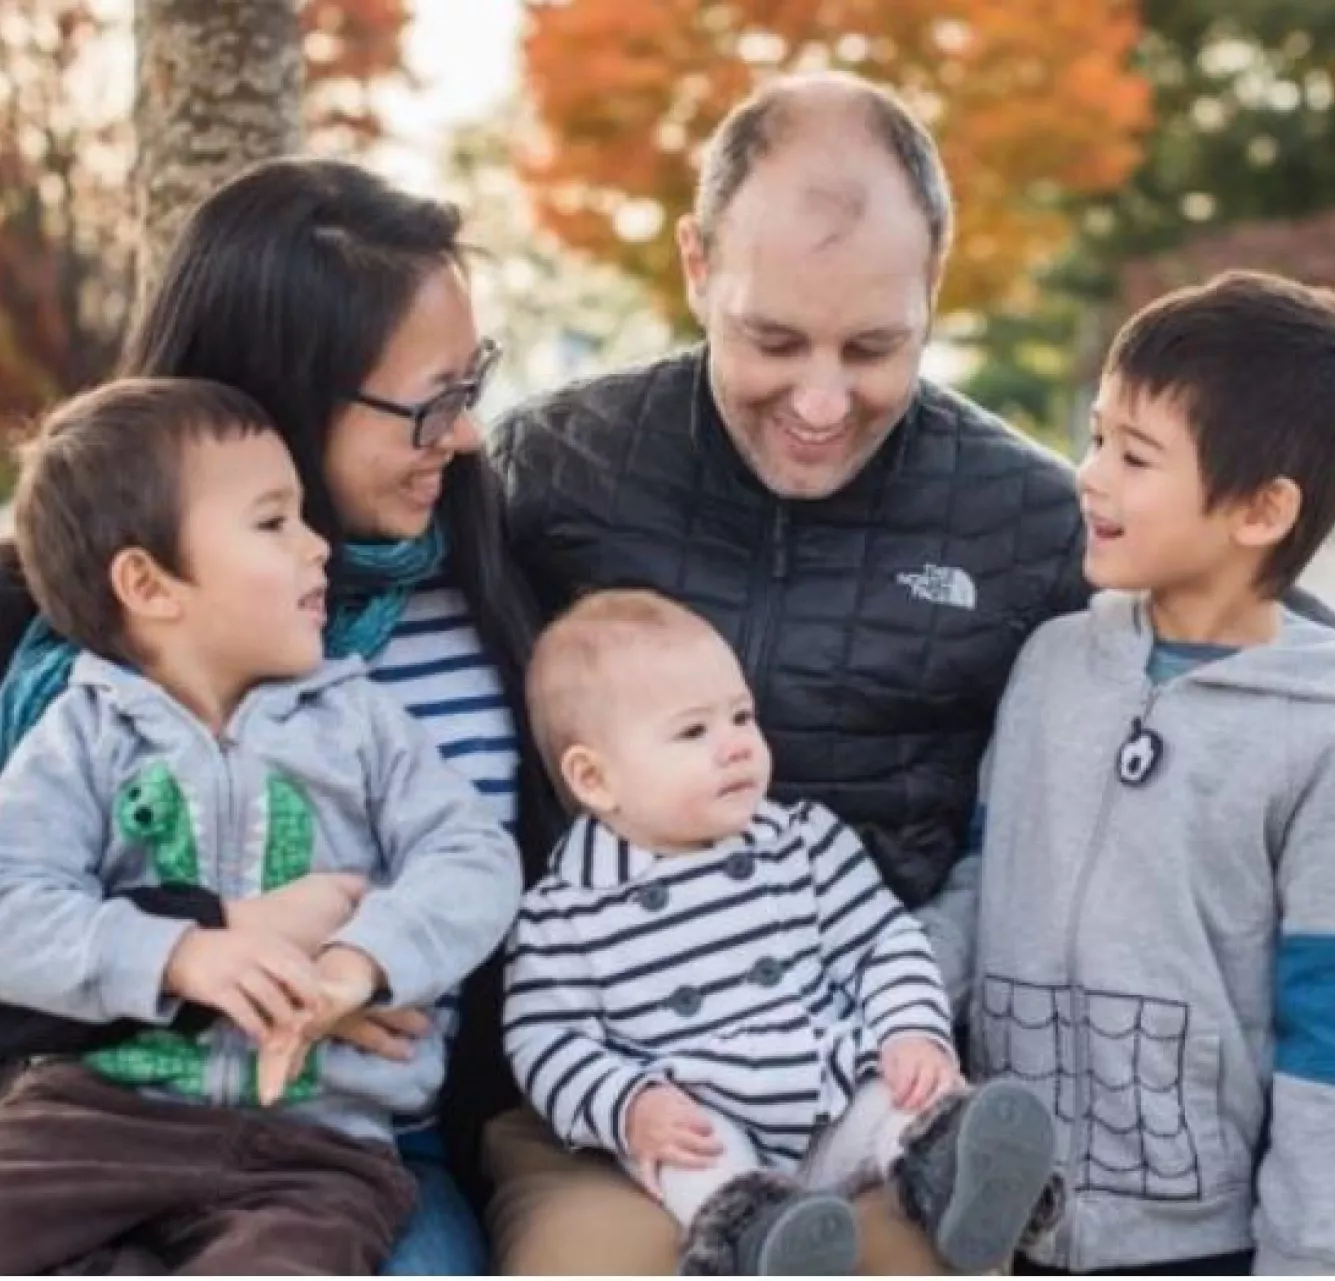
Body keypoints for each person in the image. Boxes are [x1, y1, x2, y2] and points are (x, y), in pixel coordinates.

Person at [483, 69, 1086, 1273]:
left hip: (875, 1065)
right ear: (698, 265)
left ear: (934, 285)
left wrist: (916, 1022)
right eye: (772, 340)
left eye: (874, 348)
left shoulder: (1029, 523)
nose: (820, 400)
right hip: (627, 1097)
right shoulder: (552, 468)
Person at [0, 158, 563, 1273]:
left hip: (345, 1143)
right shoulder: (75, 666)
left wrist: (355, 964)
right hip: (93, 1119)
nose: (464, 436)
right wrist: (216, 941)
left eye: (473, 382)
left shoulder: (490, 581)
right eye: (431, 401)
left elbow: (475, 862)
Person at [505, 589, 1062, 1274]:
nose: (736, 745)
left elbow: (882, 943)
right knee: (691, 1162)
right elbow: (545, 1040)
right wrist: (628, 1106)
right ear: (594, 778)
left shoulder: (800, 840)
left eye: (741, 715)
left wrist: (910, 1030)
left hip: (829, 1086)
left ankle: (952, 1171)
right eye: (693, 732)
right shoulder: (565, 911)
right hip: (702, 1113)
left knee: (902, 1100)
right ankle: (765, 1238)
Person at [970, 271, 1335, 1274]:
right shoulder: (1050, 661)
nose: (1090, 476)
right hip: (995, 1224)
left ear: (1260, 509)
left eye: (1135, 456)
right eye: (1095, 437)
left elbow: (1325, 1029)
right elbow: (976, 876)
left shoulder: (1317, 729)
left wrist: (1304, 1259)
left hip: (1196, 1246)